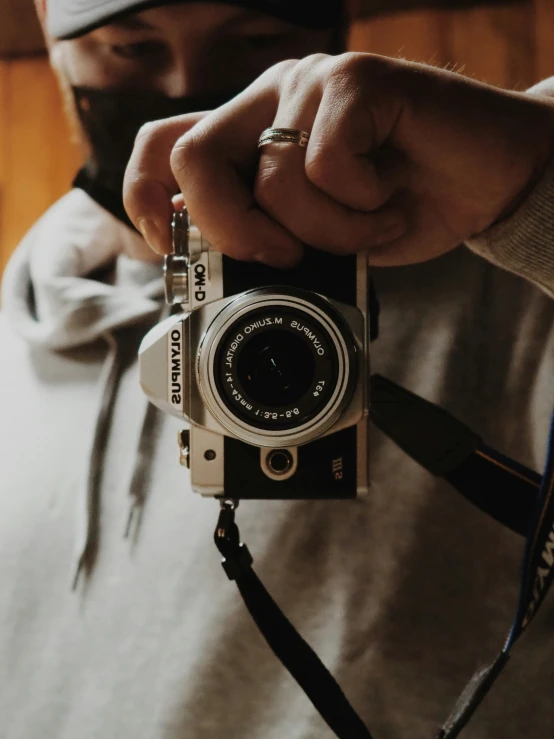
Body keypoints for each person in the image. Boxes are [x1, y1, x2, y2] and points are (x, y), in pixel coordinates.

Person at [0, 0, 552, 737]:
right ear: (47, 25)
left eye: (256, 39)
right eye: (131, 48)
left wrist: (537, 189)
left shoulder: (514, 267)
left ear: (336, 27)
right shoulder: (14, 332)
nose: (189, 87)